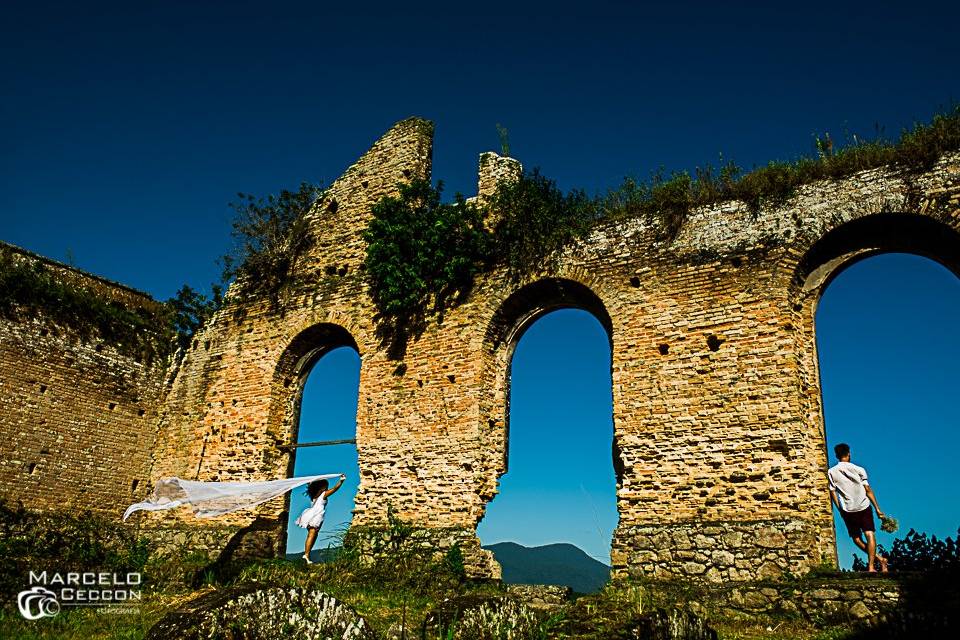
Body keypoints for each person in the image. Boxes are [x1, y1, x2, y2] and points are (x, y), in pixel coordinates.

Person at [827, 443, 888, 573]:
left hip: (848, 509)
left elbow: (833, 493)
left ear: (837, 455)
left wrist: (840, 510)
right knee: (869, 534)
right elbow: (868, 490)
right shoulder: (859, 469)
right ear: (849, 453)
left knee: (856, 539)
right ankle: (875, 563)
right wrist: (877, 509)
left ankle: (875, 563)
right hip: (864, 506)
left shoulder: (831, 472)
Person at [296, 473, 345, 564]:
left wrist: (311, 483)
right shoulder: (323, 494)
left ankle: (307, 554)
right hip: (316, 515)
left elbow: (311, 486)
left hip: (310, 515)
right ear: (322, 487)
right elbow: (335, 489)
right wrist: (341, 481)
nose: (327, 487)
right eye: (326, 486)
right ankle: (306, 555)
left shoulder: (314, 496)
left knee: (313, 534)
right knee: (312, 534)